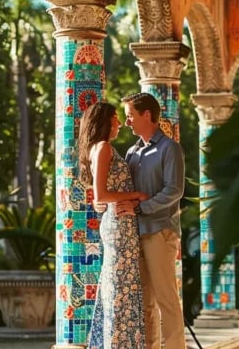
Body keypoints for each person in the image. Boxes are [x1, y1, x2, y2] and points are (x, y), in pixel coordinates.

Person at [78, 102, 148, 348]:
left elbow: (100, 199)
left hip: (118, 224)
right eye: (116, 118)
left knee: (121, 287)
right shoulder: (104, 148)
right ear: (105, 121)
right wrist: (136, 195)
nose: (119, 123)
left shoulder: (98, 149)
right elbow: (101, 196)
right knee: (121, 289)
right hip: (119, 227)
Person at [122, 92, 186, 349]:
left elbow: (174, 190)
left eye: (130, 116)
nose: (127, 122)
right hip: (136, 234)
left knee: (166, 300)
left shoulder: (170, 149)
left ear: (146, 115)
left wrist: (141, 209)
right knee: (144, 302)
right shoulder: (132, 152)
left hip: (160, 232)